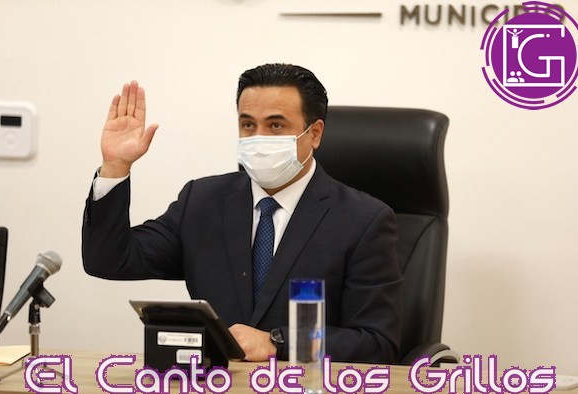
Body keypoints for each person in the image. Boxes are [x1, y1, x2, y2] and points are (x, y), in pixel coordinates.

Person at [82, 63, 402, 363]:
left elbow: (378, 343)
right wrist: (115, 167)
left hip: (307, 388)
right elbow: (109, 260)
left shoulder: (363, 220)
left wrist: (278, 343)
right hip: (218, 386)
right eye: (248, 124)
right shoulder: (202, 200)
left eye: (275, 125)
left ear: (314, 133)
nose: (258, 138)